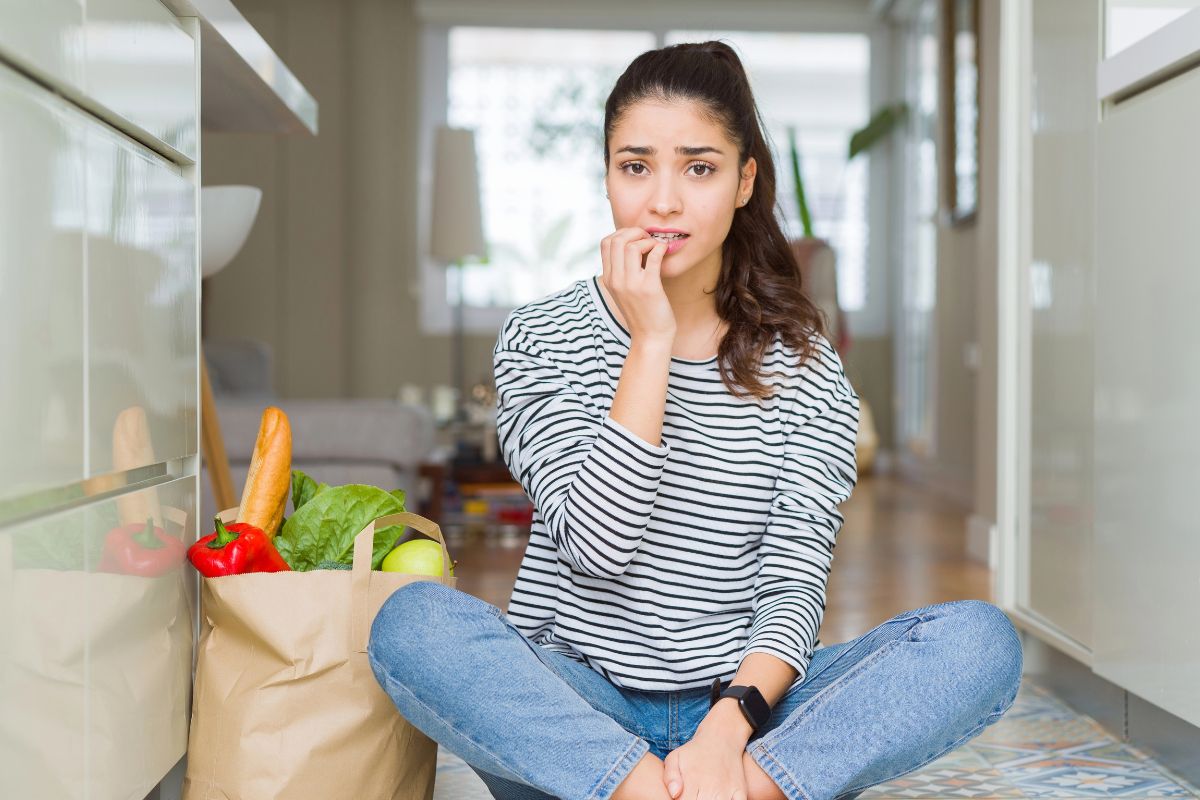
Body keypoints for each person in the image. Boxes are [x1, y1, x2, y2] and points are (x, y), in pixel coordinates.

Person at [368, 41, 1022, 800]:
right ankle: (656, 792)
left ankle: (733, 785)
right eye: (635, 166)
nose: (663, 201)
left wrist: (726, 733)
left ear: (745, 180)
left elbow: (792, 584)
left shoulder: (806, 369)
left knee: (979, 643)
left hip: (744, 719)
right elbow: (596, 547)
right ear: (607, 174)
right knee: (412, 624)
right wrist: (651, 341)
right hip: (579, 717)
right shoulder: (543, 338)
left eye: (699, 167)